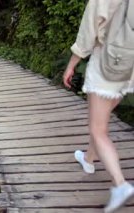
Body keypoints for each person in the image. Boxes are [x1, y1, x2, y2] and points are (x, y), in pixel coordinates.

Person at [63, 0, 134, 212]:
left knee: (97, 128)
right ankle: (88, 159)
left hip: (108, 64)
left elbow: (89, 27)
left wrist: (72, 64)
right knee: (101, 120)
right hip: (130, 66)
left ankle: (120, 184)